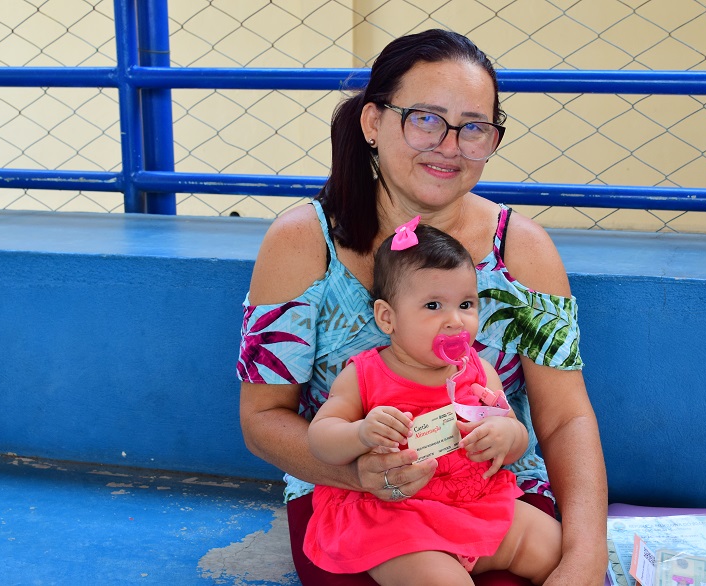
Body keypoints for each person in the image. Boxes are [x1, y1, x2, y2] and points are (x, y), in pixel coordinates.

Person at [238, 28, 608, 586]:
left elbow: (565, 418)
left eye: (473, 128)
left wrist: (585, 557)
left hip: (492, 495)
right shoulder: (302, 243)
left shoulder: (522, 250)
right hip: (352, 498)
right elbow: (262, 419)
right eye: (425, 119)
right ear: (372, 123)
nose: (450, 146)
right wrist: (364, 474)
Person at [303, 221, 563, 584]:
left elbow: (514, 436)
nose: (455, 321)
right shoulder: (364, 376)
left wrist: (505, 435)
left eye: (466, 304)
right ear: (387, 317)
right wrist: (361, 433)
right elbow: (321, 439)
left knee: (556, 548)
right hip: (397, 518)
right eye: (433, 305)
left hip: (475, 504)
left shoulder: (478, 371)